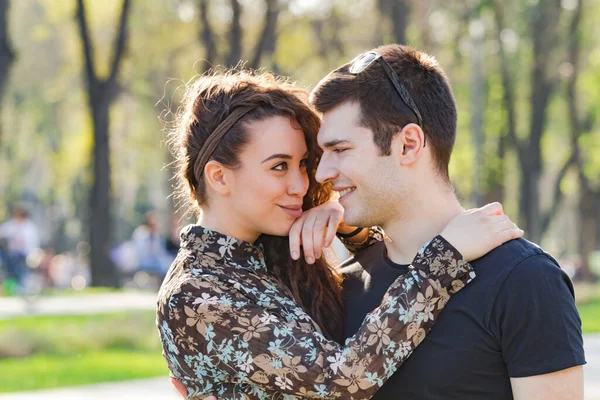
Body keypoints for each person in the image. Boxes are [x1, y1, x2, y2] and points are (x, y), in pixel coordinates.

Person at [157, 70, 523, 400]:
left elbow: (367, 316)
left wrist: (349, 225)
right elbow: (342, 379)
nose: (301, 184)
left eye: (303, 164)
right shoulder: (194, 294)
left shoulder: (273, 254)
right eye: (279, 166)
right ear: (219, 177)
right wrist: (445, 257)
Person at [308, 44, 585, 399]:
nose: (322, 173)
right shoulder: (343, 286)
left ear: (408, 144)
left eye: (340, 150)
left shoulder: (524, 279)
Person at [0, 205, 40, 289]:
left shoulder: (29, 227)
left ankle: (20, 286)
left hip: (24, 254)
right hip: (11, 254)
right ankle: (12, 285)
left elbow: (32, 244)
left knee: (19, 270)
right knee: (10, 268)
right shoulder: (11, 224)